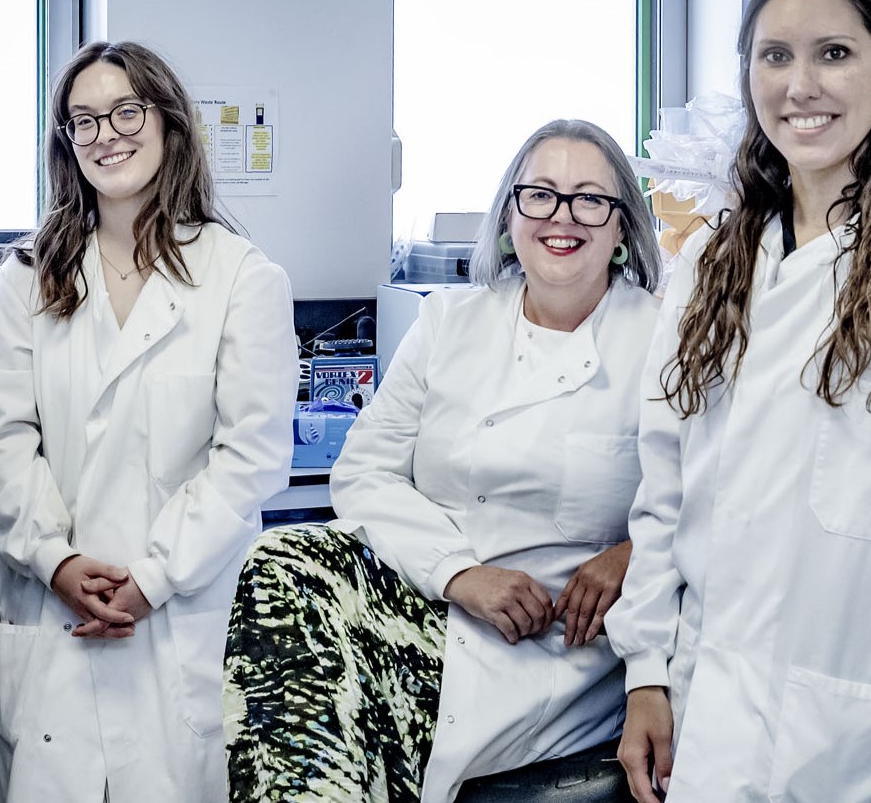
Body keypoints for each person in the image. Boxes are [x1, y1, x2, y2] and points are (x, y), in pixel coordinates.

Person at [606, 0, 871, 802]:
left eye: (834, 53)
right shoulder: (710, 267)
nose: (801, 85)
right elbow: (665, 493)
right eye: (775, 57)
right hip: (711, 713)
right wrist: (646, 672)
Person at [224, 119, 663, 803]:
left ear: (623, 227)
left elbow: (710, 499)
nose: (562, 218)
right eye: (540, 195)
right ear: (509, 214)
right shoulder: (448, 323)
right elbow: (364, 472)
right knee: (281, 563)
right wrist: (461, 574)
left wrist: (630, 553)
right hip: (433, 597)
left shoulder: (663, 339)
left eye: (589, 199)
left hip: (553, 646)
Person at [0, 40, 299, 803]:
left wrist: (151, 578)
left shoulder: (242, 278)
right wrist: (52, 559)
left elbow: (250, 457)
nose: (105, 134)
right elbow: (0, 438)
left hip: (176, 620)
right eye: (82, 121)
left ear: (169, 124)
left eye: (125, 111)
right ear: (66, 143)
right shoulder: (27, 276)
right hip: (51, 616)